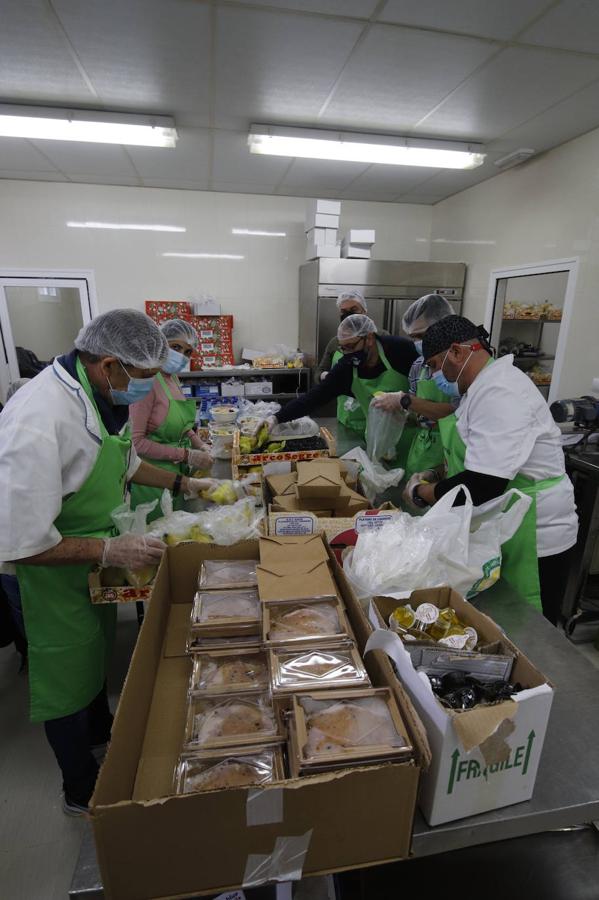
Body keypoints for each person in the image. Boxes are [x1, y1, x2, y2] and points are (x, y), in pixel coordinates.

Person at [0, 309, 218, 815]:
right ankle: (81, 789)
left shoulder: (94, 397)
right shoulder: (38, 419)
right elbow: (22, 541)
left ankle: (101, 740)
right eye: (142, 378)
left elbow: (129, 461)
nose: (148, 388)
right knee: (65, 676)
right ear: (109, 365)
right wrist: (108, 550)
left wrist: (186, 483)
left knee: (93, 653)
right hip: (42, 573)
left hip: (83, 562)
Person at [404, 315, 578, 625]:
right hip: (508, 524)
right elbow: (481, 458)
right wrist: (440, 475)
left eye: (433, 364)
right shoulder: (481, 388)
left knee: (530, 629)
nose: (432, 375)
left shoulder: (500, 392)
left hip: (535, 535)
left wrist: (424, 493)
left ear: (458, 352)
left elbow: (484, 483)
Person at [271, 314, 418, 469]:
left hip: (411, 439)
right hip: (378, 440)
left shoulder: (400, 350)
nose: (348, 353)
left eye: (351, 347)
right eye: (343, 348)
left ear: (368, 338)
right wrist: (276, 418)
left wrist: (406, 401)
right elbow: (315, 397)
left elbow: (427, 382)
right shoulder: (347, 366)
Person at [130, 318, 213, 522]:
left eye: (187, 352)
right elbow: (135, 443)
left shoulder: (173, 378)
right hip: (151, 480)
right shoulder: (146, 382)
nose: (181, 356)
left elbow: (183, 426)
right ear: (160, 342)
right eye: (175, 347)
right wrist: (186, 455)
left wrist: (201, 445)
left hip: (177, 476)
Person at [372, 294, 457, 480]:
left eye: (422, 335)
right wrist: (396, 414)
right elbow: (417, 414)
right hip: (421, 450)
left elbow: (458, 412)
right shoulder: (418, 366)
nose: (418, 342)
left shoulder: (461, 366)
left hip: (452, 449)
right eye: (413, 337)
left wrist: (404, 400)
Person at [316, 290, 390, 436]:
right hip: (345, 418)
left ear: (365, 311)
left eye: (354, 310)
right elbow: (318, 372)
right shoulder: (335, 342)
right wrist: (326, 376)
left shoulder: (382, 338)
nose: (348, 314)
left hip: (374, 415)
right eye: (343, 311)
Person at [0, 377, 31, 668]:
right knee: (22, 611)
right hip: (12, 552)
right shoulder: (12, 439)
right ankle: (29, 652)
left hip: (25, 549)